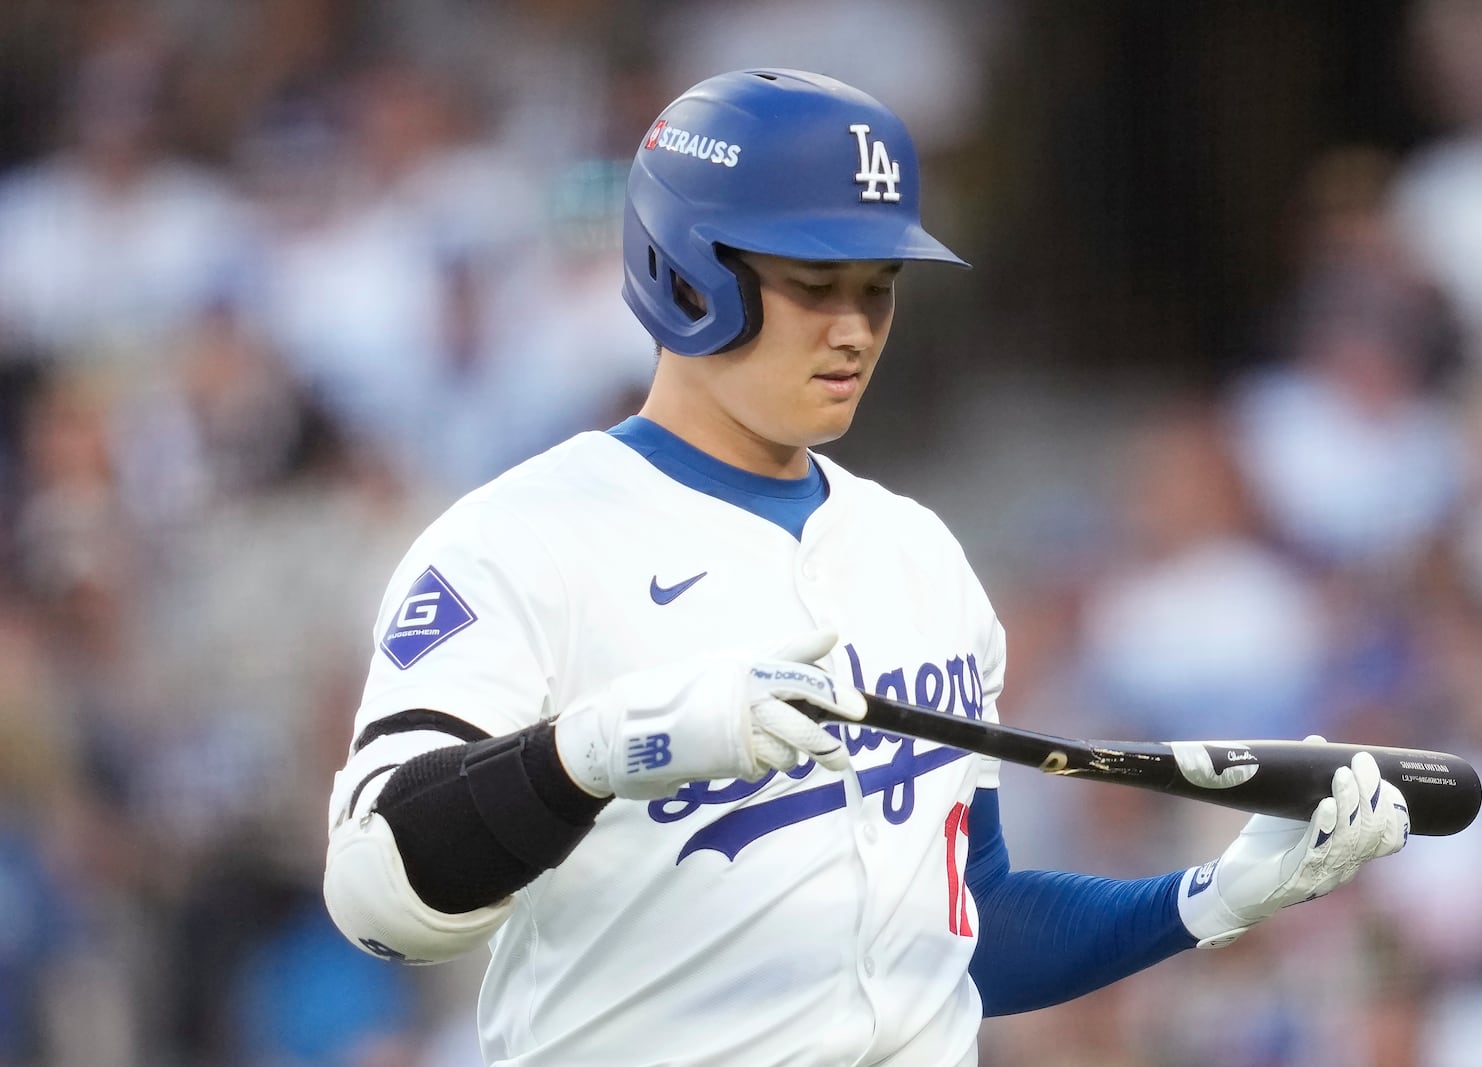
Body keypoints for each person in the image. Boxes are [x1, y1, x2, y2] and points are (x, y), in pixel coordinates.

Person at [322, 68, 1412, 1066]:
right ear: (688, 272)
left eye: (876, 285)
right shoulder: (521, 539)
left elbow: (963, 929)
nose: (854, 329)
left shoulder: (918, 553)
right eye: (814, 281)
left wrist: (1202, 899)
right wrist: (602, 748)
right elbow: (375, 891)